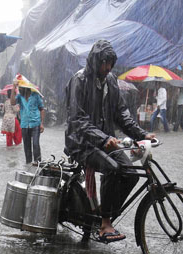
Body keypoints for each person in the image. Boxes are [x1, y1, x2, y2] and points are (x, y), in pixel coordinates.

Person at [64, 39, 155, 243]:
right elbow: (76, 119)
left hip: (105, 141)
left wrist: (141, 135)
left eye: (110, 63)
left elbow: (121, 113)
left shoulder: (111, 81)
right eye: (104, 63)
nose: (107, 67)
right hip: (80, 142)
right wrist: (103, 138)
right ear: (95, 61)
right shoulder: (79, 80)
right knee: (113, 169)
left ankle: (106, 213)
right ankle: (105, 223)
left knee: (131, 174)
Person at [10, 82, 45, 165]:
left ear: (27, 88)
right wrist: (13, 88)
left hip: (35, 124)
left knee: (36, 144)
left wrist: (42, 123)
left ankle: (38, 164)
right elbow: (12, 102)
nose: (19, 89)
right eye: (19, 88)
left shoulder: (35, 95)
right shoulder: (19, 96)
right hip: (25, 125)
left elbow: (42, 109)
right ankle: (28, 164)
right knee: (27, 146)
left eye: (21, 88)